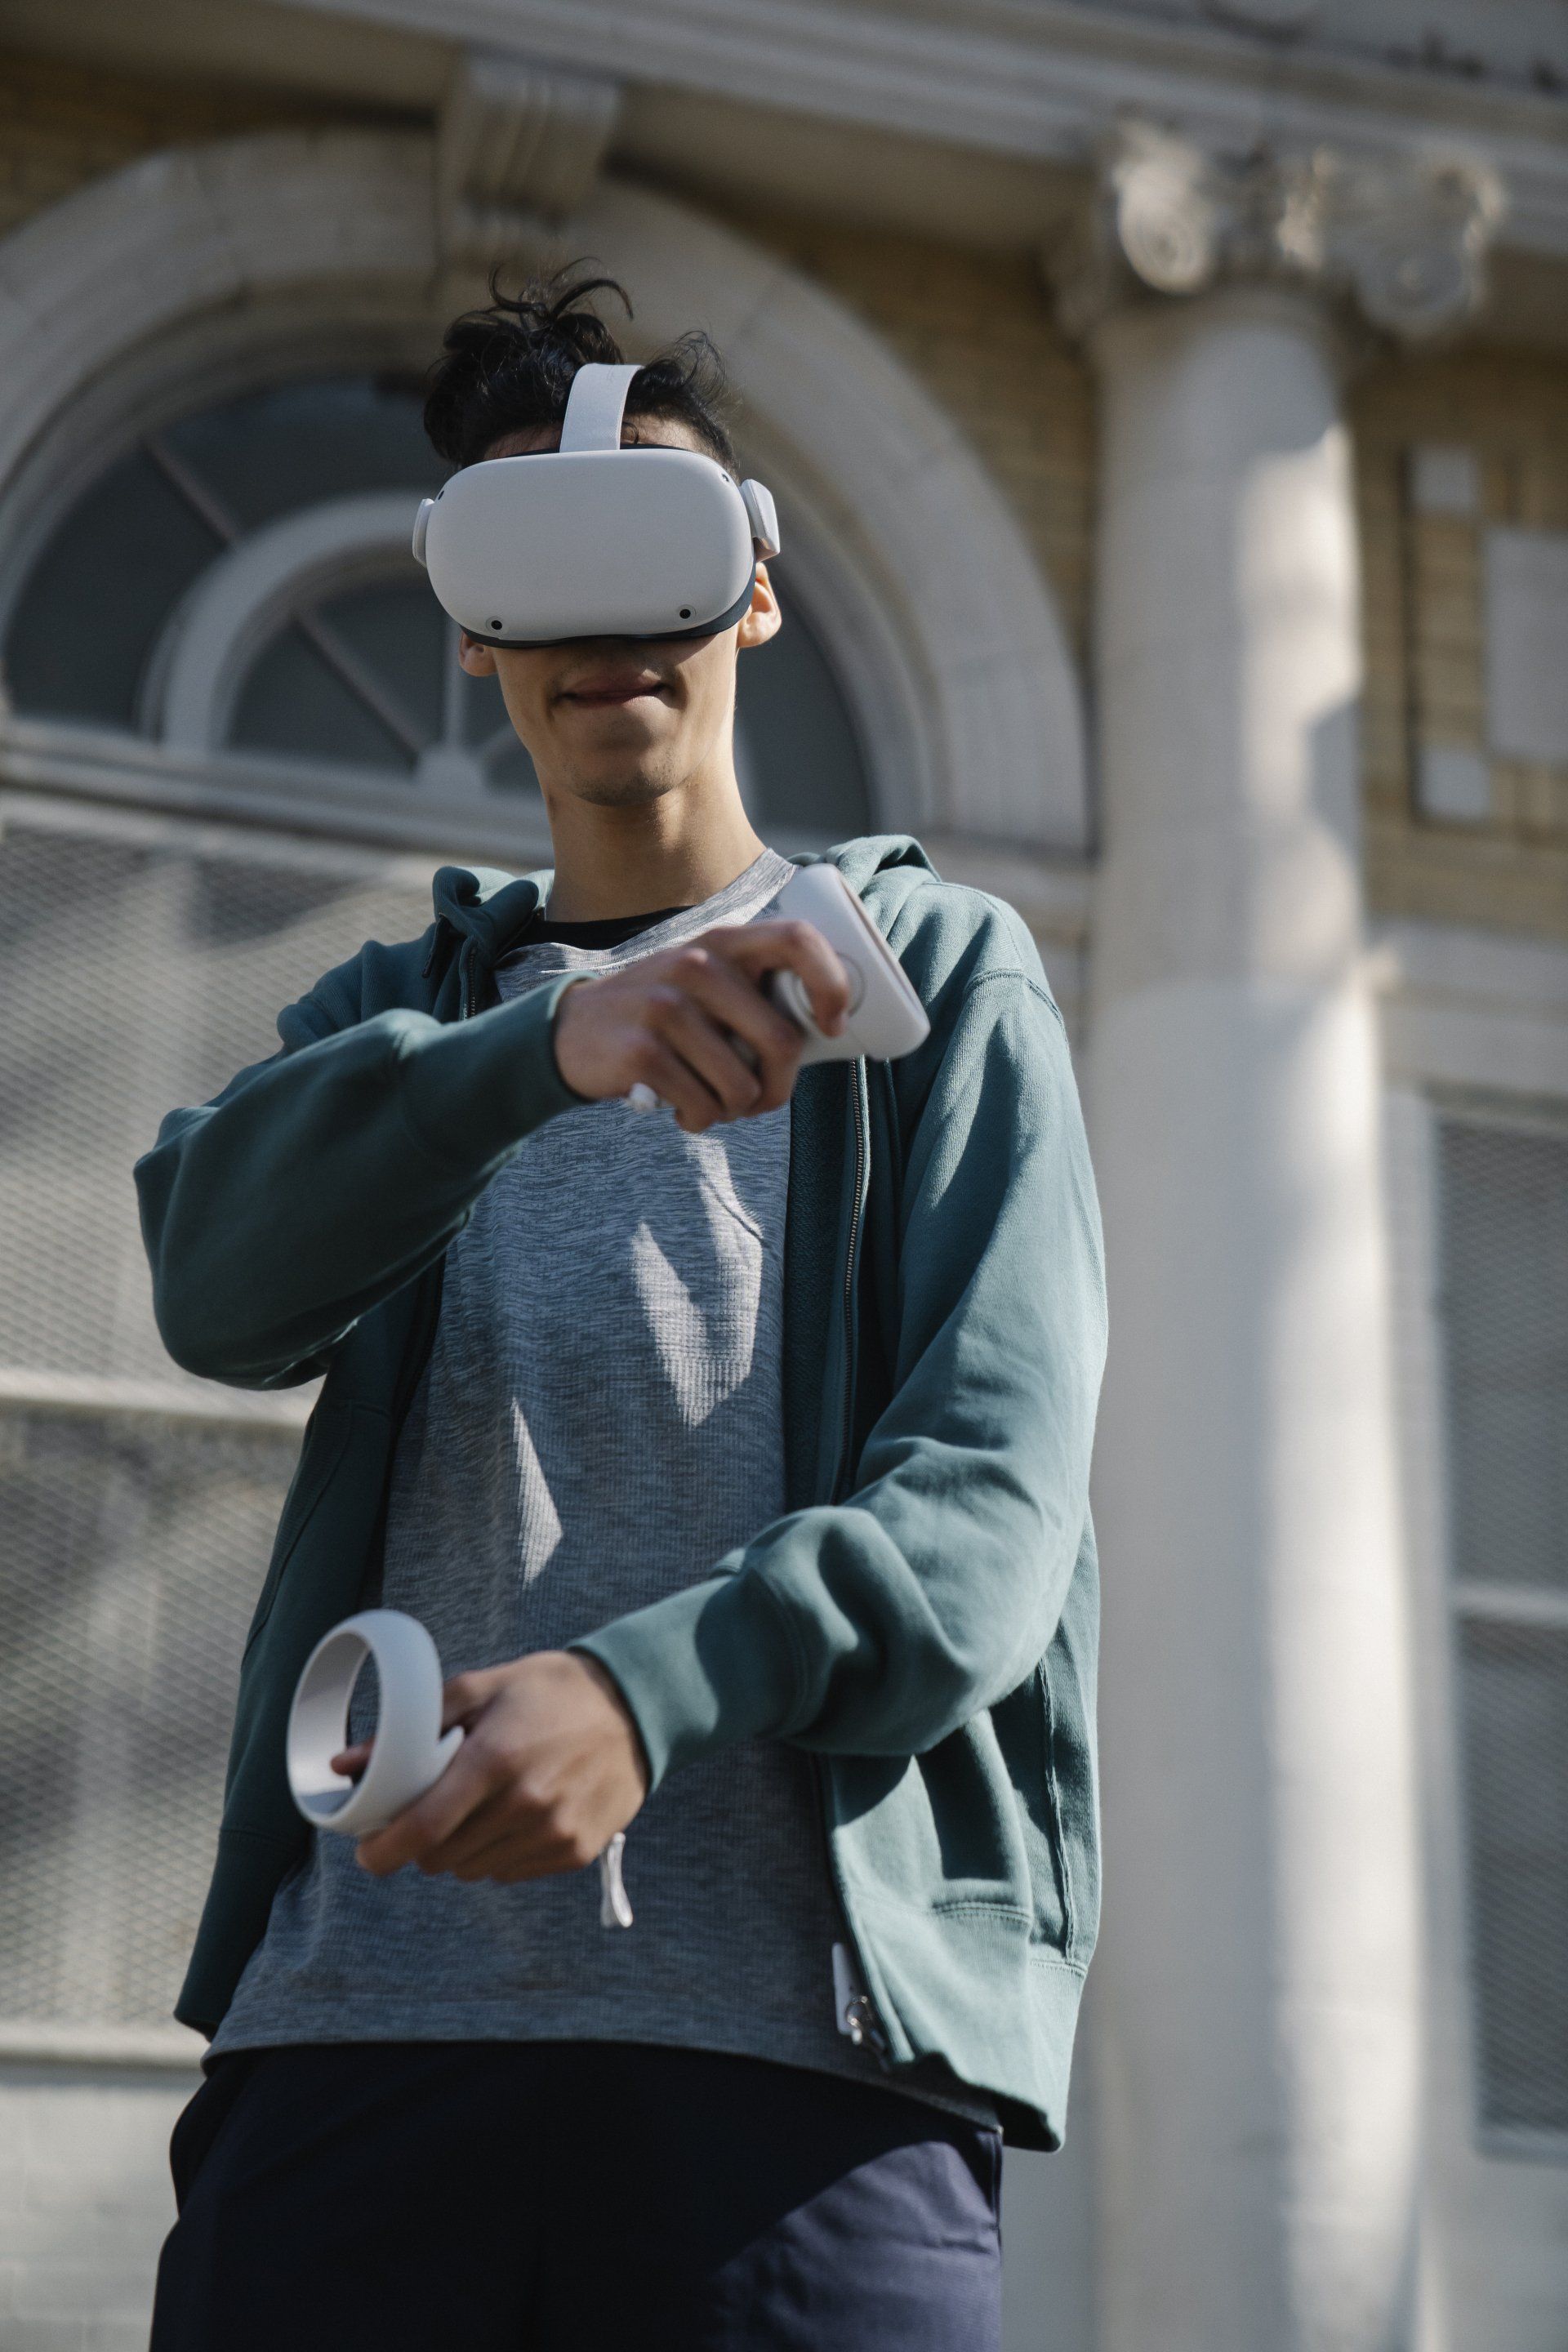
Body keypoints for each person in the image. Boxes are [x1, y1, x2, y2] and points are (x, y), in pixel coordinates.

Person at [139, 271, 1107, 2352]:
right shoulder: (395, 1023)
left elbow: (985, 1524)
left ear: (753, 591)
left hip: (799, 2082)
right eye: (531, 572)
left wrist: (643, 1689)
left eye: (654, 559)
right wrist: (542, 1050)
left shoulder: (941, 982)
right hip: (350, 2055)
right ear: (473, 629)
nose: (602, 634)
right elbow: (209, 1287)